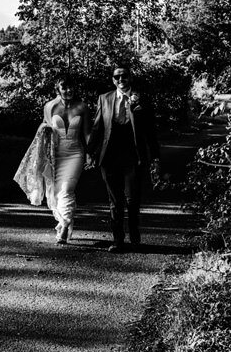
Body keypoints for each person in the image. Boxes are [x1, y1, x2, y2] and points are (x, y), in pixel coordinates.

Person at [88, 66, 160, 252]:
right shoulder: (104, 99)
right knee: (115, 201)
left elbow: (151, 130)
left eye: (124, 76)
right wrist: (89, 151)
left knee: (132, 199)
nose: (121, 79)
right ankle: (118, 240)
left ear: (130, 78)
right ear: (113, 80)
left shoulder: (141, 99)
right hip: (109, 157)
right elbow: (97, 127)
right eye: (117, 77)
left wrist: (155, 156)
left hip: (133, 156)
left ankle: (134, 232)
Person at [42, 75, 91, 244]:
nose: (68, 91)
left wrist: (91, 152)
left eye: (71, 87)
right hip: (56, 154)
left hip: (75, 153)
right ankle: (64, 221)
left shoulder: (82, 107)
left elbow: (87, 133)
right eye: (64, 88)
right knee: (56, 191)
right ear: (58, 89)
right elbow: (44, 129)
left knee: (67, 188)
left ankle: (65, 225)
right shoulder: (49, 106)